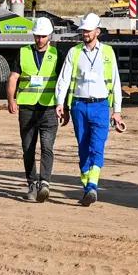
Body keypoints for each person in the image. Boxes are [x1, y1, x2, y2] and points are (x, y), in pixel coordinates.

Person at [54, 12, 124, 206]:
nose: (85, 33)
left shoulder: (108, 53)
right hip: (78, 106)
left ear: (97, 32)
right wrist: (60, 103)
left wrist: (117, 111)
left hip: (101, 106)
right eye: (83, 30)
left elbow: (116, 82)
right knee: (83, 147)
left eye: (88, 30)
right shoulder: (74, 52)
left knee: (97, 146)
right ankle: (87, 186)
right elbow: (64, 79)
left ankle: (92, 185)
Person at [5, 16, 61, 202]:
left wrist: (64, 106)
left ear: (50, 36)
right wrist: (11, 100)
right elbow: (13, 77)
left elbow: (64, 82)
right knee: (28, 148)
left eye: (43, 36)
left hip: (49, 108)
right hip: (27, 108)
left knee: (47, 147)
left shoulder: (57, 55)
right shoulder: (23, 53)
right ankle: (32, 184)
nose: (39, 40)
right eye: (37, 36)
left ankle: (45, 183)